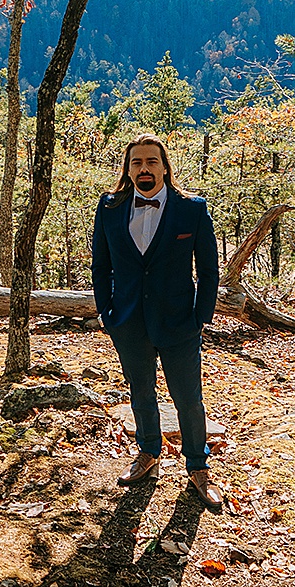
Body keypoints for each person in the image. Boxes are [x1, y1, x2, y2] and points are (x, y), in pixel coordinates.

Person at [90, 133, 224, 512]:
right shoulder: (110, 207)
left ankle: (198, 467)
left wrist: (201, 317)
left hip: (180, 322)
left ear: (165, 166)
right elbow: (101, 265)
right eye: (137, 162)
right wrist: (107, 312)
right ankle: (148, 455)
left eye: (151, 162)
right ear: (127, 168)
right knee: (141, 393)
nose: (144, 169)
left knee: (188, 399)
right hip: (128, 321)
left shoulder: (191, 210)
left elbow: (209, 270)